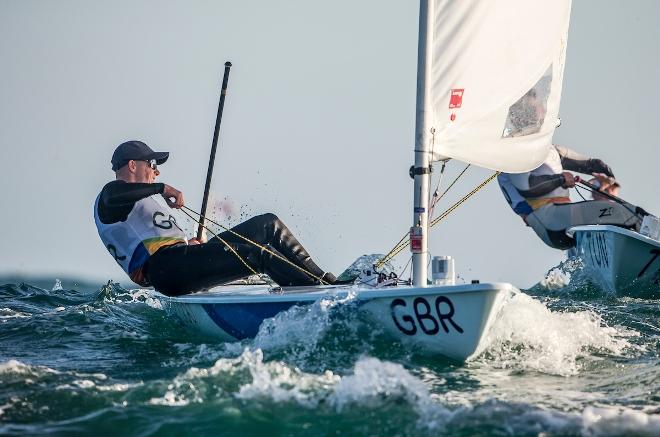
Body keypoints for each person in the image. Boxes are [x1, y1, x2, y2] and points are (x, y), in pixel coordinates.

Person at [94, 140, 339, 296]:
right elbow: (115, 196)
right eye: (152, 164)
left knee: (268, 224)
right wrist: (163, 187)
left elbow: (155, 239)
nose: (156, 171)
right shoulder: (110, 197)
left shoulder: (139, 200)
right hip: (167, 271)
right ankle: (314, 294)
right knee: (258, 254)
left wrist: (188, 245)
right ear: (133, 165)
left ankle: (323, 280)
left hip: (181, 262)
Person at [502, 145, 645, 250]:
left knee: (615, 217)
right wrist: (561, 179)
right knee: (631, 215)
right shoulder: (515, 153)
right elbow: (527, 188)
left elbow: (593, 164)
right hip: (550, 220)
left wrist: (608, 179)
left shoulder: (550, 151)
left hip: (562, 221)